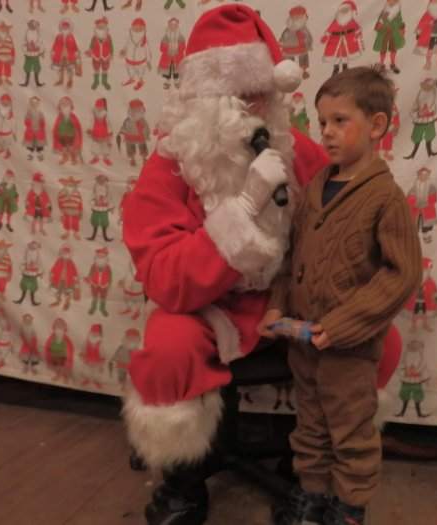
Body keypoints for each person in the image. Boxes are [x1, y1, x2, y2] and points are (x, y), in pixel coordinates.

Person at [121, 5, 327, 525]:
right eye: (236, 97)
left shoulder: (300, 153)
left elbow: (346, 227)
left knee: (372, 340)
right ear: (202, 100)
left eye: (260, 95)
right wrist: (243, 211)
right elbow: (165, 279)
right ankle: (183, 479)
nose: (252, 110)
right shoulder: (169, 167)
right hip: (208, 308)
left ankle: (312, 470)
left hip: (288, 300)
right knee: (168, 347)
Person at [260, 67, 422, 525]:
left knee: (350, 433)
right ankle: (312, 497)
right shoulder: (315, 188)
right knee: (309, 426)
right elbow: (291, 257)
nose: (327, 132)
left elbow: (402, 275)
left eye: (340, 120)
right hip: (304, 344)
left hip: (349, 351)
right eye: (322, 122)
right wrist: (276, 305)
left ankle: (349, 508)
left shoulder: (385, 198)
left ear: (376, 125)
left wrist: (342, 326)